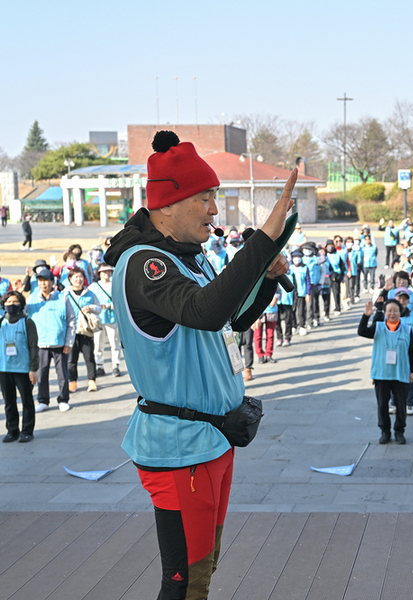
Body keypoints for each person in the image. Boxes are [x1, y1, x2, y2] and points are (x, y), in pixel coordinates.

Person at [104, 130, 296, 599]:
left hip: (211, 438)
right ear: (168, 204)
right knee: (186, 580)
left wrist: (265, 276)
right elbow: (205, 311)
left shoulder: (188, 258)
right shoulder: (144, 264)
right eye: (206, 197)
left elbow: (228, 318)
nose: (215, 209)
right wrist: (262, 241)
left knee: (202, 571)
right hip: (180, 447)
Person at [358, 299, 413, 444]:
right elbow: (362, 332)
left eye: (395, 310)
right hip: (381, 373)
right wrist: (366, 316)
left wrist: (412, 371)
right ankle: (385, 431)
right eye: (389, 310)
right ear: (384, 313)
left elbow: (412, 351)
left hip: (400, 373)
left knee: (401, 405)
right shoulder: (378, 327)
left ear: (400, 313)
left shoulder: (407, 330)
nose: (392, 313)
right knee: (382, 404)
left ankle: (399, 431)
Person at [26, 267, 75, 412]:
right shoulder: (32, 299)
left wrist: (68, 342)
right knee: (42, 373)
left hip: (59, 343)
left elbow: (71, 320)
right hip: (40, 343)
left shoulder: (62, 298)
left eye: (45, 281)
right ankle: (43, 400)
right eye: (40, 281)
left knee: (62, 374)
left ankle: (63, 399)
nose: (43, 284)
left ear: (52, 283)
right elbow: (22, 313)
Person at [1, 291, 38, 443]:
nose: (12, 305)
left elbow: (33, 347)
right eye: (8, 302)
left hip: (23, 369)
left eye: (15, 302)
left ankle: (27, 430)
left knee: (27, 401)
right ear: (3, 305)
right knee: (9, 402)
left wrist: (33, 369)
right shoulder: (1, 322)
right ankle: (12, 430)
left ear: (21, 305)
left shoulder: (28, 322)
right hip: (4, 369)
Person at [64, 267, 101, 393]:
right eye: (76, 277)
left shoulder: (90, 293)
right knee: (71, 359)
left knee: (89, 356)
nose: (78, 280)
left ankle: (92, 380)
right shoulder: (65, 294)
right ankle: (72, 381)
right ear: (70, 279)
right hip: (70, 331)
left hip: (85, 330)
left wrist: (90, 308)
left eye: (81, 277)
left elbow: (99, 308)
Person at [89, 263, 122, 377]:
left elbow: (120, 301)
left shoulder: (116, 285)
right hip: (98, 319)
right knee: (98, 344)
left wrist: (108, 306)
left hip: (112, 318)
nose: (106, 274)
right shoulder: (93, 287)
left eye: (108, 271)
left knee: (115, 343)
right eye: (103, 272)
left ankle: (115, 365)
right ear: (99, 273)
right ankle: (99, 365)